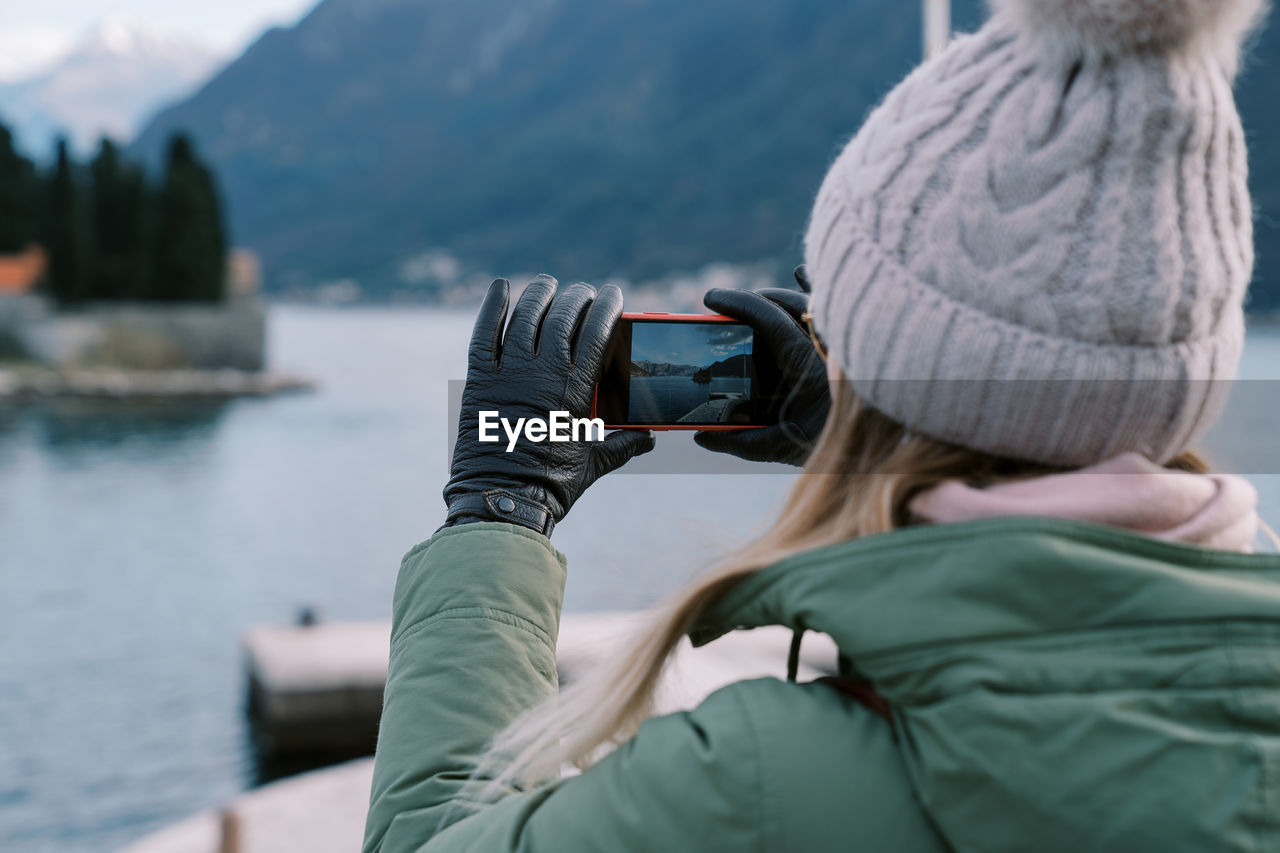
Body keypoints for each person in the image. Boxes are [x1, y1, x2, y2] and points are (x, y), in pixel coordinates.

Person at [364, 0, 1280, 849]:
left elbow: (432, 836)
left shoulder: (757, 783)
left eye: (837, 316)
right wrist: (883, 453)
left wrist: (499, 506)